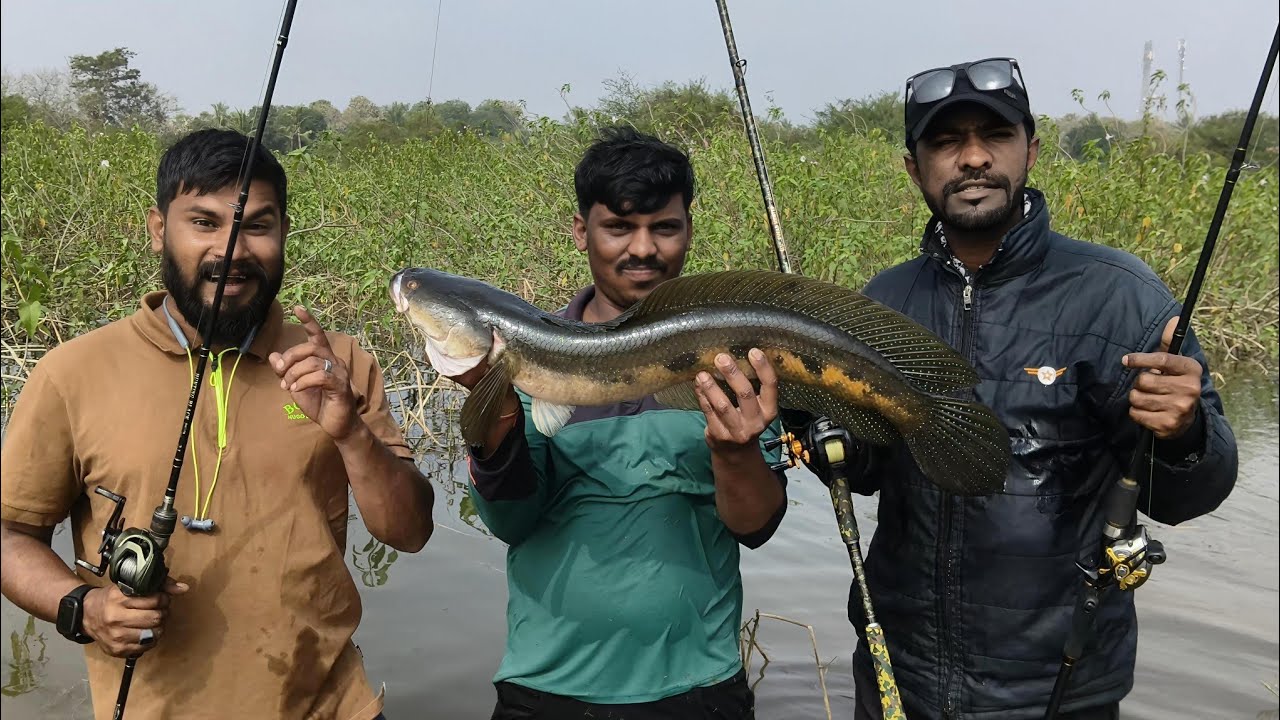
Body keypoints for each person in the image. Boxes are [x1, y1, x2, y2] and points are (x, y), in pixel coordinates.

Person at [831, 57, 1239, 720]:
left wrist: (1187, 433)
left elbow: (1191, 496)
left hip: (1059, 690)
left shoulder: (1118, 299)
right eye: (944, 141)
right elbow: (868, 470)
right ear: (913, 167)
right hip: (897, 680)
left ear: (1031, 150)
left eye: (993, 136)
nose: (971, 158)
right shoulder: (882, 303)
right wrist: (809, 416)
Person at [0, 128, 434, 720]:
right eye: (203, 222)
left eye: (257, 225)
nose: (232, 249)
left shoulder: (338, 362)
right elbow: (10, 536)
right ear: (158, 230)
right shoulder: (72, 373)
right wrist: (82, 607)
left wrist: (352, 433)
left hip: (335, 707)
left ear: (283, 231)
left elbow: (409, 532)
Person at [446, 126, 788, 720]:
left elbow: (755, 526)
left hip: (699, 688)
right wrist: (495, 415)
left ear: (688, 230)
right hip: (546, 688)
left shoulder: (734, 363)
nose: (643, 249)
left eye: (664, 227)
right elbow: (512, 521)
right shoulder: (523, 365)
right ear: (582, 231)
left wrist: (736, 453)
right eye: (619, 227)